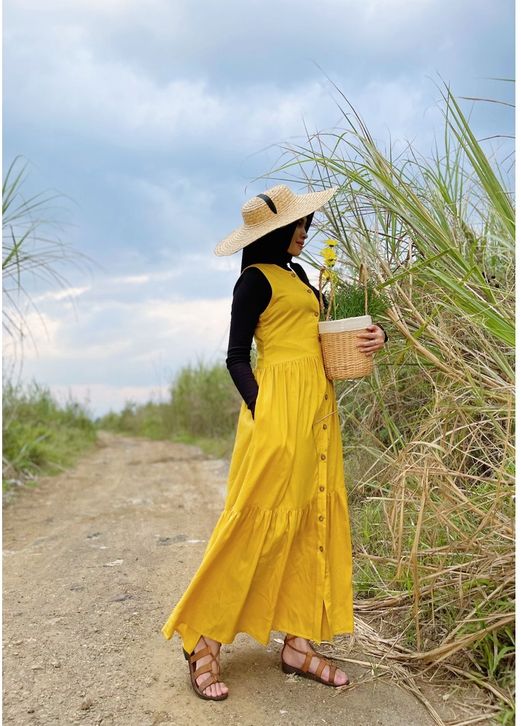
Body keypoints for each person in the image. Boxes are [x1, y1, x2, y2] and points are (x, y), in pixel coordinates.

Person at [160, 184, 387, 701]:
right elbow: (236, 357)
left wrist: (377, 336)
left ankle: (299, 643)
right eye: (298, 224)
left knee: (311, 517)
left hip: (318, 411)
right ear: (276, 231)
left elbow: (322, 337)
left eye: (306, 223)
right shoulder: (254, 281)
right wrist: (265, 411)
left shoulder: (299, 276)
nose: (305, 231)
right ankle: (203, 638)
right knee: (254, 524)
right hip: (278, 414)